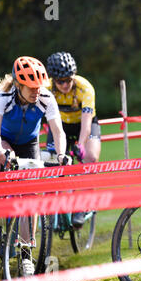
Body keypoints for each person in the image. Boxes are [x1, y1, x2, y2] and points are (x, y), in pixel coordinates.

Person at [0, 56, 71, 276]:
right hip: (2, 139)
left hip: (29, 144)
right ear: (17, 84)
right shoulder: (1, 97)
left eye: (38, 86)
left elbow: (58, 130)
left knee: (30, 193)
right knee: (1, 157)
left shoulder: (46, 98)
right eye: (30, 87)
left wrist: (61, 154)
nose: (36, 91)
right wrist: (0, 153)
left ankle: (25, 252)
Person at [45, 51, 101, 227]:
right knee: (52, 161)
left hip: (84, 125)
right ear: (53, 79)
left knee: (89, 157)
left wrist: (81, 144)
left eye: (69, 79)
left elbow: (86, 124)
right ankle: (57, 206)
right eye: (60, 81)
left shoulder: (85, 88)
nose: (65, 84)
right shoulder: (45, 89)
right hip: (60, 126)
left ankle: (82, 206)